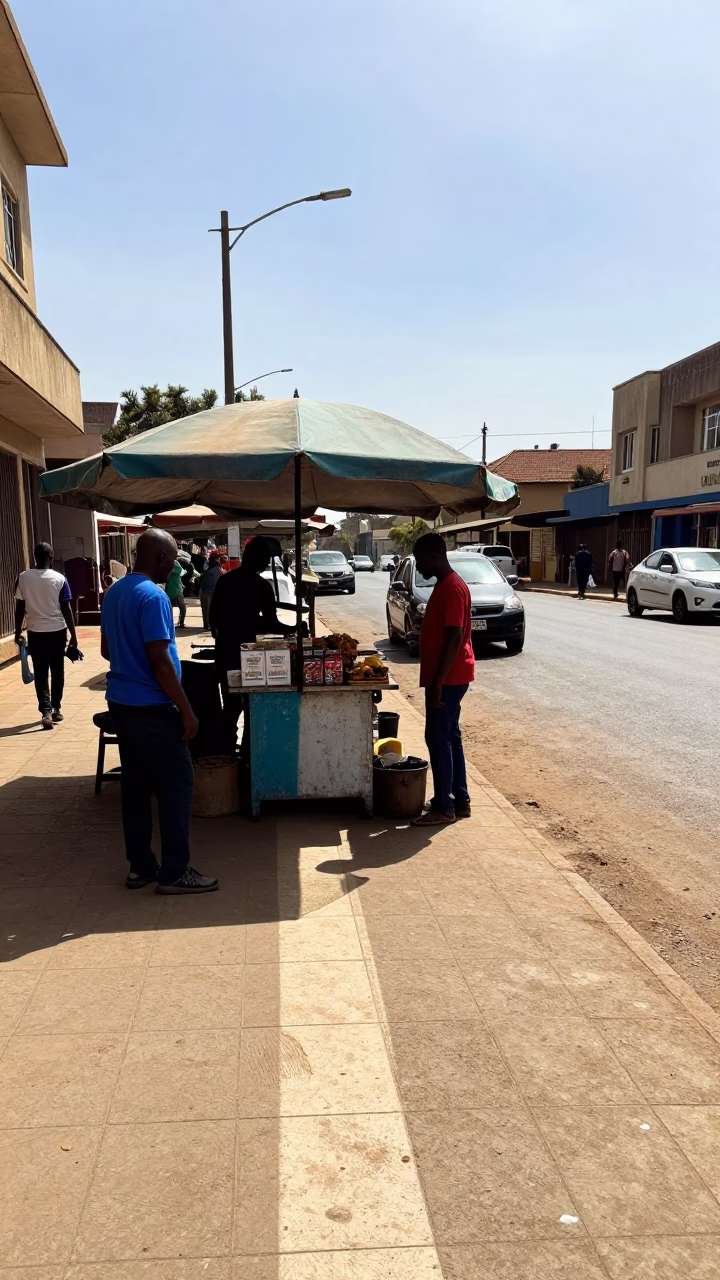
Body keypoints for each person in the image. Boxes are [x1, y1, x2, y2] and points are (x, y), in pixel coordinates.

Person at [101, 528, 218, 894]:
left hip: (122, 704)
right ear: (160, 558)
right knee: (177, 786)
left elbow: (107, 650)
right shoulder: (154, 597)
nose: (174, 568)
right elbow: (161, 662)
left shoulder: (115, 591)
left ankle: (140, 868)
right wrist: (186, 709)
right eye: (171, 561)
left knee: (135, 788)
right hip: (152, 707)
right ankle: (174, 871)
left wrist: (129, 661)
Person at [410, 532, 474, 826]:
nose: (419, 566)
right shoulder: (446, 586)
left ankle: (443, 807)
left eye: (420, 560)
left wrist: (438, 682)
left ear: (434, 556)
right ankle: (458, 800)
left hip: (447, 678)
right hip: (447, 676)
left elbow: (454, 635)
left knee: (437, 738)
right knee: (449, 736)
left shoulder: (452, 588)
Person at [210, 536, 297, 741]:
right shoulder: (261, 586)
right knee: (252, 707)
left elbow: (213, 621)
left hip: (225, 654)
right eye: (266, 558)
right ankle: (249, 758)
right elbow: (270, 623)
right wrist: (294, 628)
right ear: (256, 558)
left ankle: (228, 755)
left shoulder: (225, 580)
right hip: (249, 659)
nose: (267, 563)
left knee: (231, 709)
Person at [14, 543, 78, 730]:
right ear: (51, 556)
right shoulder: (60, 578)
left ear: (35, 556)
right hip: (57, 631)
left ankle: (46, 711)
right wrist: (73, 635)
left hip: (35, 632)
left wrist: (18, 631)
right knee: (58, 671)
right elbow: (66, 608)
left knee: (41, 672)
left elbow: (19, 608)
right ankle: (57, 708)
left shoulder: (24, 578)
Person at [199, 551, 225, 630]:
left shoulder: (207, 567)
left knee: (206, 610)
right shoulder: (217, 568)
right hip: (211, 591)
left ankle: (207, 625)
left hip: (206, 591)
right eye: (218, 557)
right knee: (211, 610)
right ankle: (210, 625)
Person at [164, 557, 186, 628]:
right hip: (176, 592)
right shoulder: (174, 564)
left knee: (169, 609)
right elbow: (179, 571)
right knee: (182, 608)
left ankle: (170, 623)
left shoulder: (168, 564)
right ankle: (181, 623)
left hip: (170, 591)